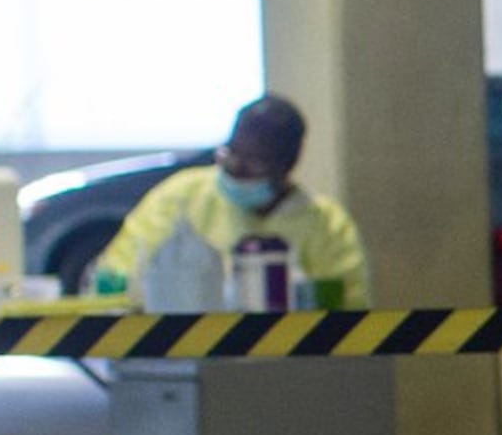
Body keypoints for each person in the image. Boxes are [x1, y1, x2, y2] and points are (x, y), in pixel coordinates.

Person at [98, 94, 371, 311]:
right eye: (230, 156)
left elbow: (347, 304)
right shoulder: (181, 198)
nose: (235, 171)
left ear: (286, 166)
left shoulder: (326, 225)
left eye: (253, 164)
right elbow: (116, 277)